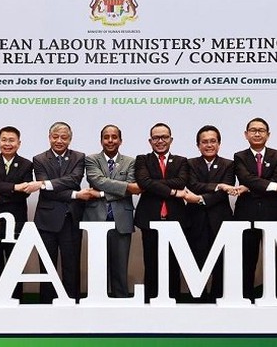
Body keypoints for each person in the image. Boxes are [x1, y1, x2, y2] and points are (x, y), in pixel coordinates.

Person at [25, 122, 95, 302]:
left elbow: (74, 179)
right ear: (49, 138)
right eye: (55, 137)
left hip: (71, 219)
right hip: (46, 220)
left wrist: (45, 183)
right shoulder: (39, 159)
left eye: (64, 137)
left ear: (70, 139)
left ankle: (72, 302)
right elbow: (48, 190)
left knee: (72, 265)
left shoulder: (79, 157)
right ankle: (46, 303)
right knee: (47, 265)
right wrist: (75, 195)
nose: (59, 141)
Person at [233, 117, 277, 301]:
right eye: (253, 130)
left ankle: (273, 297)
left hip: (273, 213)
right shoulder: (239, 156)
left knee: (273, 259)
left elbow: (271, 179)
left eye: (261, 130)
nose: (257, 133)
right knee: (246, 258)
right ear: (246, 134)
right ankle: (245, 298)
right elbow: (246, 178)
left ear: (268, 134)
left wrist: (253, 186)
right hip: (246, 213)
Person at [83, 124, 140, 298]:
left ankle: (120, 302)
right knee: (97, 266)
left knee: (120, 266)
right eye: (106, 137)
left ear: (120, 140)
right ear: (101, 140)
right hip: (96, 219)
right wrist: (125, 188)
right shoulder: (91, 159)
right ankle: (97, 302)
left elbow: (132, 188)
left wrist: (100, 193)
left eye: (114, 137)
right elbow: (97, 180)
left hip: (121, 220)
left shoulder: (131, 161)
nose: (110, 140)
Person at [134, 122, 188, 302]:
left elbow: (181, 181)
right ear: (150, 141)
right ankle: (150, 300)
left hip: (176, 218)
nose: (160, 141)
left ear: (171, 140)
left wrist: (153, 183)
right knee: (151, 262)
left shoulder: (181, 161)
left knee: (173, 263)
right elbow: (143, 182)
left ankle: (174, 299)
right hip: (149, 217)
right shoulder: (142, 159)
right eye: (156, 138)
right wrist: (171, 191)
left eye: (164, 137)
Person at [183, 125, 236, 301]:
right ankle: (197, 299)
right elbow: (192, 185)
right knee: (196, 261)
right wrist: (217, 185)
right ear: (198, 145)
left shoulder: (229, 164)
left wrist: (199, 199)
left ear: (219, 144)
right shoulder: (189, 163)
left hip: (220, 220)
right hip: (195, 220)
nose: (209, 145)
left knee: (221, 262)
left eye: (213, 141)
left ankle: (218, 298)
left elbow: (224, 192)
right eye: (204, 142)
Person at [0, 126, 33, 300]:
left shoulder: (27, 164)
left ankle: (16, 301)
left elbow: (24, 193)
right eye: (4, 140)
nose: (7, 144)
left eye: (11, 140)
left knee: (15, 265)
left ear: (19, 143)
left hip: (16, 220)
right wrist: (14, 187)